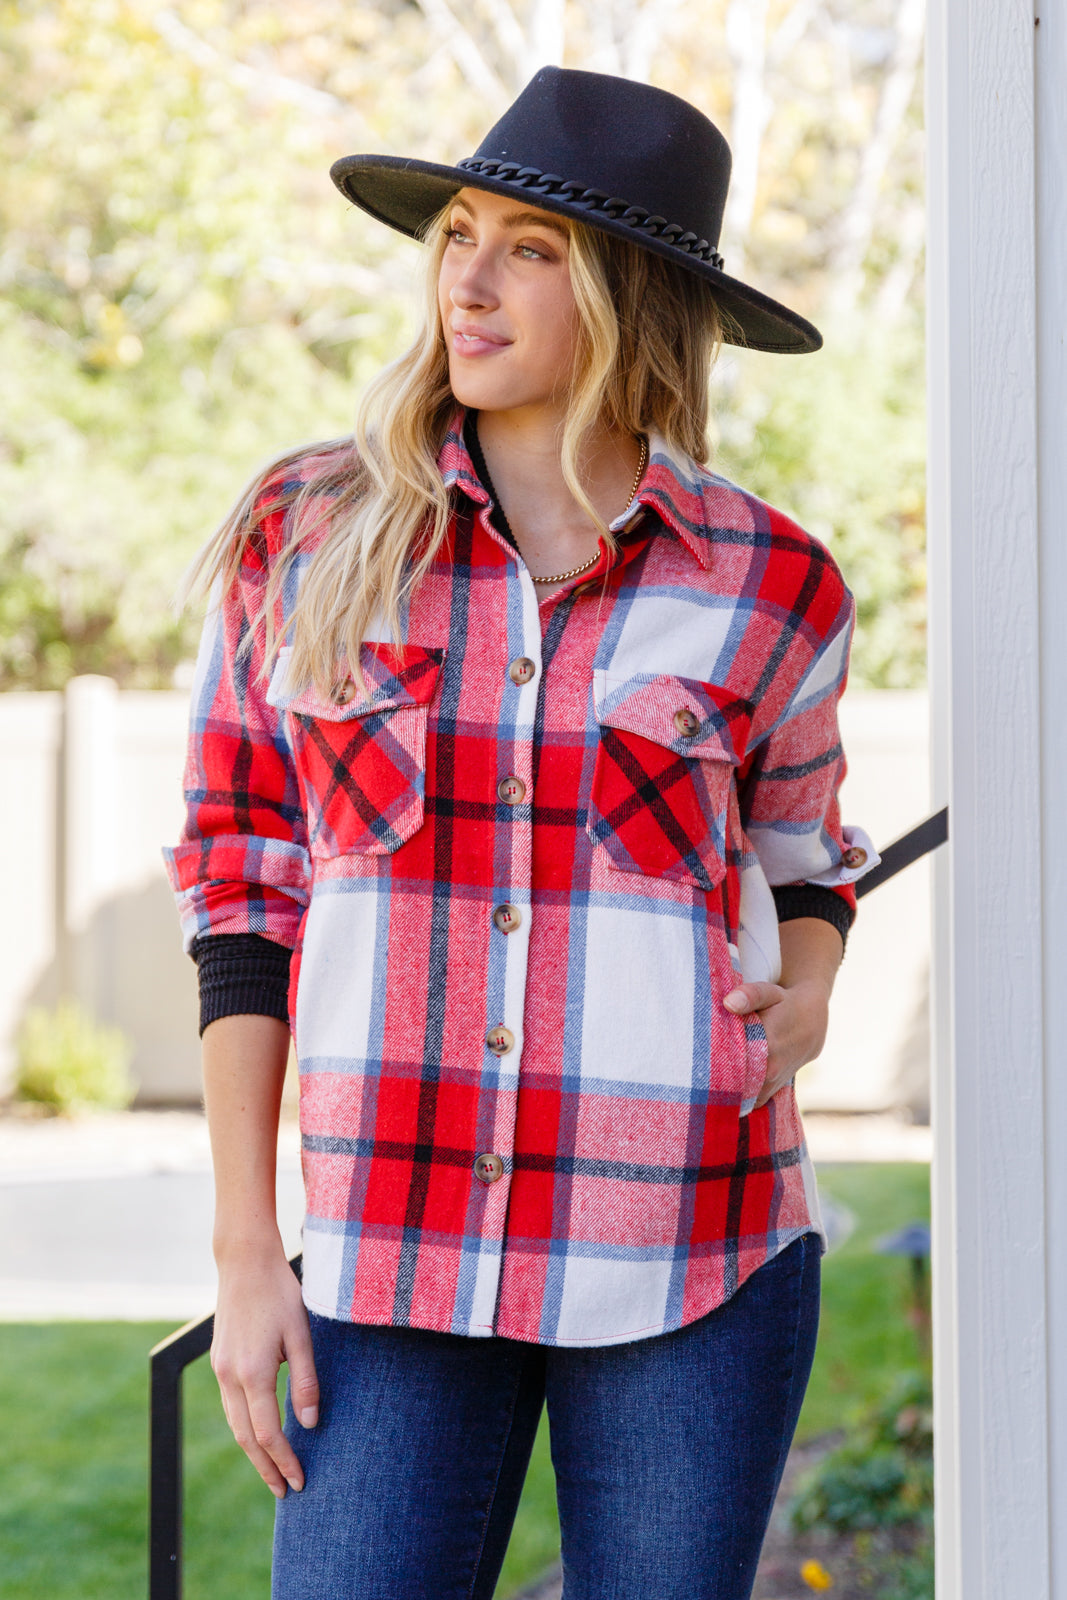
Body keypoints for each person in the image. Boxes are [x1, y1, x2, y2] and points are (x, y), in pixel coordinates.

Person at [165, 65, 877, 1600]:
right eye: (460, 235)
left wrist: (808, 993)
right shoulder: (312, 532)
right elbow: (241, 887)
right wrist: (245, 1252)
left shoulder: (776, 582)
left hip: (698, 1246)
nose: (465, 280)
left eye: (530, 249)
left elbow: (808, 859)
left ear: (630, 296)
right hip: (387, 1253)